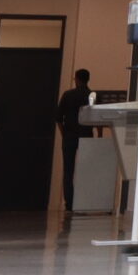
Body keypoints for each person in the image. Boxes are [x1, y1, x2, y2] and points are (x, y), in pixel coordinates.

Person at [56, 69, 95, 212]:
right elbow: (97, 118)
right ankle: (84, 201)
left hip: (70, 135)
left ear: (76, 79)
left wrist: (64, 133)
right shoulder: (91, 95)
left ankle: (69, 202)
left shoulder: (68, 95)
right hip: (86, 134)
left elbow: (59, 118)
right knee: (85, 169)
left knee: (68, 170)